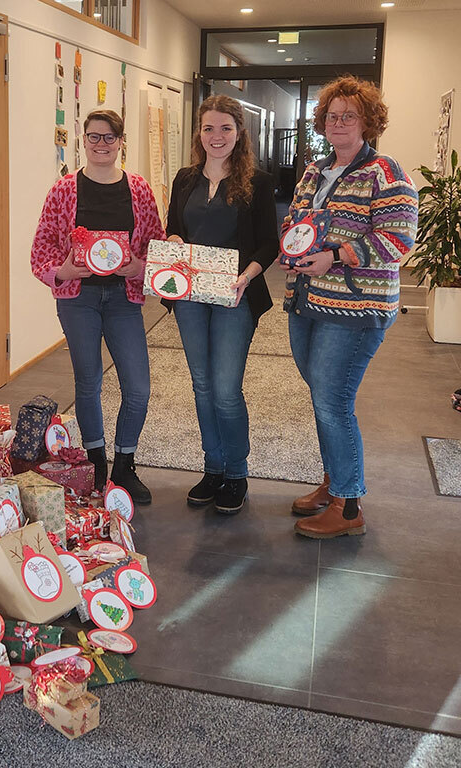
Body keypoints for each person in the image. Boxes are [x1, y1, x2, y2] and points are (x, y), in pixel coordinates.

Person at [280, 75, 418, 538]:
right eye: (332, 116)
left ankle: (350, 507)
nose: (338, 123)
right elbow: (301, 222)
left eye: (349, 116)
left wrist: (335, 255)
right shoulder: (316, 172)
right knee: (325, 399)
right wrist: (293, 244)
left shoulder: (386, 173)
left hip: (356, 309)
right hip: (307, 301)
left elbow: (397, 240)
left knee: (333, 401)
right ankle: (335, 482)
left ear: (367, 122)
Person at [31, 109, 164, 501]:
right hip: (79, 300)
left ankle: (124, 464)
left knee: (138, 387)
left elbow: (154, 242)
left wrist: (139, 267)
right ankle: (95, 465)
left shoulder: (139, 189)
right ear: (83, 141)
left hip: (123, 298)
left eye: (109, 137)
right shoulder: (63, 190)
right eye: (93, 137)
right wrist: (65, 271)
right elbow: (40, 250)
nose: (101, 144)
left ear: (121, 141)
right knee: (88, 383)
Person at [164, 94, 279, 514]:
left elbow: (270, 242)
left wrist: (246, 276)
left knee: (227, 389)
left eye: (225, 128)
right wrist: (173, 241)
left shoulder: (259, 182)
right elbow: (174, 228)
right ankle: (212, 468)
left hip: (235, 296)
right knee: (202, 385)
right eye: (209, 128)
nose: (217, 136)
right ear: (199, 133)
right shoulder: (185, 179)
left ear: (239, 132)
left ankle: (236, 472)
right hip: (191, 296)